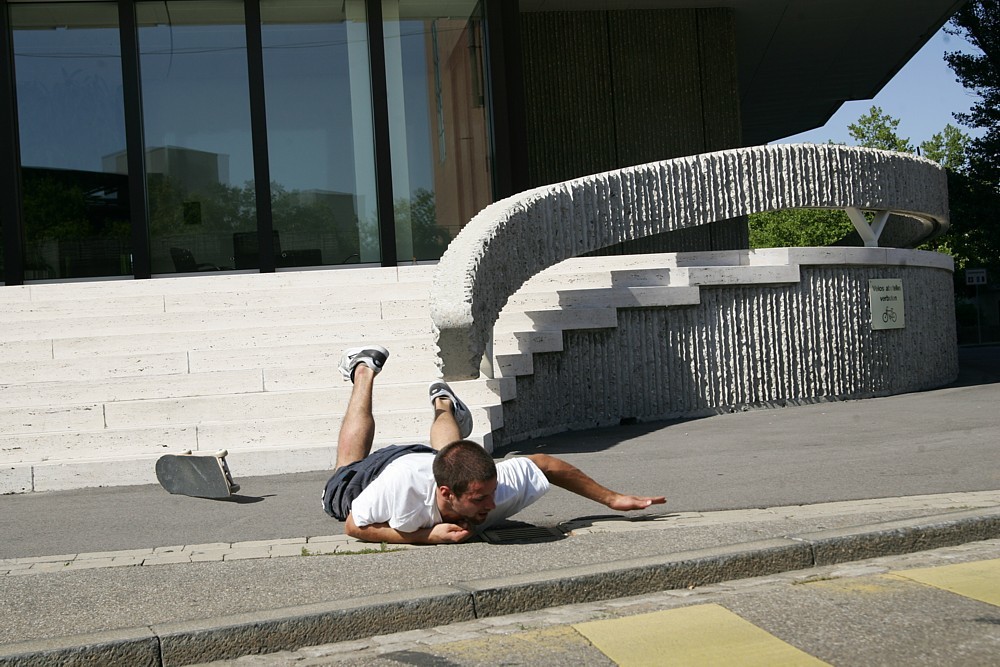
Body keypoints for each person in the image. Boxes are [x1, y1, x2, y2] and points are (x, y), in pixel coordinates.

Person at [322, 345, 666, 544]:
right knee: (344, 468)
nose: (491, 503)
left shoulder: (490, 486)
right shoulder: (401, 492)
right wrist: (426, 536)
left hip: (430, 461)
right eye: (479, 499)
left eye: (490, 493)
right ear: (445, 494)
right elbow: (355, 526)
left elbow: (545, 464)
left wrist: (613, 499)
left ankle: (442, 402)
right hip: (372, 477)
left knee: (450, 456)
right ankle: (364, 369)